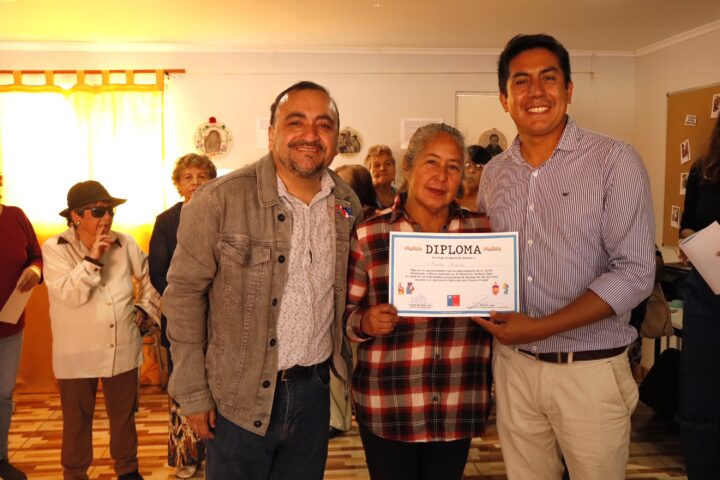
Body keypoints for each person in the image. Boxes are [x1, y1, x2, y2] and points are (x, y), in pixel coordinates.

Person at [475, 34, 655, 480]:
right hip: (514, 368)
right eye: (521, 81)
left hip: (589, 373)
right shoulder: (495, 173)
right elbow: (484, 261)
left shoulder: (615, 160)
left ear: (569, 89)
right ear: (504, 99)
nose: (535, 92)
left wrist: (539, 328)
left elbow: (634, 274)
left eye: (548, 78)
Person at [162, 81, 361, 480]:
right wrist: (193, 392)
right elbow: (183, 297)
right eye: (296, 122)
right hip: (237, 397)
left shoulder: (346, 204)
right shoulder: (219, 200)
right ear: (272, 134)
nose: (310, 135)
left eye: (323, 125)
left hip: (314, 393)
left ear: (336, 139)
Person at [345, 123, 493, 480]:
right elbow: (344, 317)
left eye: (453, 166)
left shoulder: (483, 232)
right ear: (409, 167)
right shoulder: (369, 234)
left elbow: (500, 304)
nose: (442, 176)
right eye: (431, 162)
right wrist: (365, 322)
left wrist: (500, 309)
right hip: (389, 404)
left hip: (457, 403)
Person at [43, 180, 159, 480]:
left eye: (110, 211)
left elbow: (152, 278)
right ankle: (75, 473)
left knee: (124, 417)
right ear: (75, 216)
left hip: (121, 346)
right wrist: (92, 259)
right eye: (97, 211)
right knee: (76, 421)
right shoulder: (54, 248)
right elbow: (68, 295)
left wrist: (145, 309)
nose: (106, 217)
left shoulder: (125, 243)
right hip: (76, 352)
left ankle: (128, 471)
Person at [148, 153, 217, 479]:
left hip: (219, 320)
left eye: (202, 176)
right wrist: (188, 301)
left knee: (218, 389)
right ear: (178, 185)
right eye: (188, 177)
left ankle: (217, 456)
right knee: (184, 388)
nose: (195, 183)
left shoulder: (223, 214)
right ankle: (187, 456)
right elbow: (157, 272)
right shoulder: (166, 221)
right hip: (180, 320)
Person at [677, 114, 720, 479]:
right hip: (706, 293)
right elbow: (687, 224)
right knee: (699, 405)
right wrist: (691, 242)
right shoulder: (702, 170)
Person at [0, 174, 42, 480]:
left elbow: (36, 257)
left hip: (10, 324)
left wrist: (34, 270)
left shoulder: (16, 217)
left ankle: (0, 457)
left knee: (3, 394)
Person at [458, 145, 491, 211]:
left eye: (479, 166)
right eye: (467, 164)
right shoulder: (446, 197)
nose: (472, 170)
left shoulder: (489, 206)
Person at [364, 145, 397, 209]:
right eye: (377, 165)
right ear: (368, 172)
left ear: (394, 170)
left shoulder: (404, 197)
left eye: (387, 164)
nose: (383, 168)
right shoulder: (363, 199)